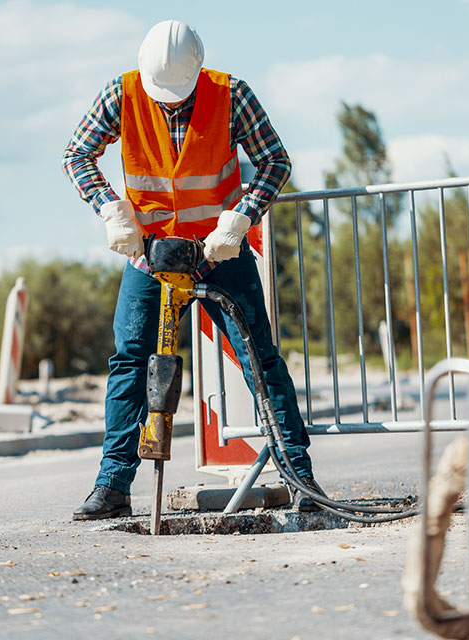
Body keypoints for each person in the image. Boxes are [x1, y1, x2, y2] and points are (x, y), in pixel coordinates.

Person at [62, 19, 324, 520]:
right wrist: (110, 209)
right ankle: (113, 485)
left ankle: (299, 477)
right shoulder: (123, 92)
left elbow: (275, 161)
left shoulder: (231, 94)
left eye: (176, 95)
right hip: (151, 254)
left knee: (259, 359)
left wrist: (241, 218)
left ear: (197, 72)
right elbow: (77, 154)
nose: (168, 102)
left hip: (218, 251)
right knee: (131, 362)